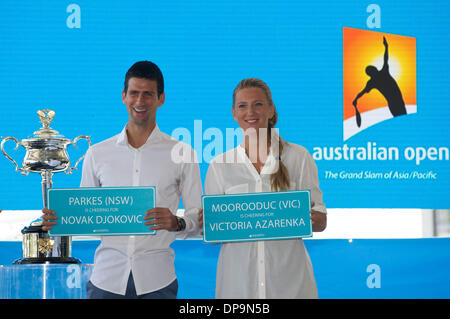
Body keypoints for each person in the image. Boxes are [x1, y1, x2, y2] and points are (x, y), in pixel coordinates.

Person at [42, 61, 202, 299]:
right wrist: (59, 221)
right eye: (134, 93)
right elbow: (84, 216)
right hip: (106, 281)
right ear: (123, 96)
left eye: (148, 94)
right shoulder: (97, 153)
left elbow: (198, 220)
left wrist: (176, 223)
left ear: (161, 99)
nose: (140, 101)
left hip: (157, 281)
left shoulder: (182, 153)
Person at [198, 78, 327, 299]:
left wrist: (313, 218)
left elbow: (321, 221)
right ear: (234, 113)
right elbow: (213, 237)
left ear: (271, 109)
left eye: (258, 104)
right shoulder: (219, 165)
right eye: (242, 106)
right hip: (237, 289)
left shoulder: (299, 157)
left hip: (290, 286)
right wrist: (208, 225)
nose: (250, 112)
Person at [352, 36, 407, 124]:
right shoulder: (382, 73)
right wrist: (386, 47)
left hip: (395, 103)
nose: (375, 68)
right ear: (373, 71)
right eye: (373, 68)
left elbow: (362, 93)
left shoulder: (372, 82)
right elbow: (385, 59)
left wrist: (355, 99)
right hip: (397, 102)